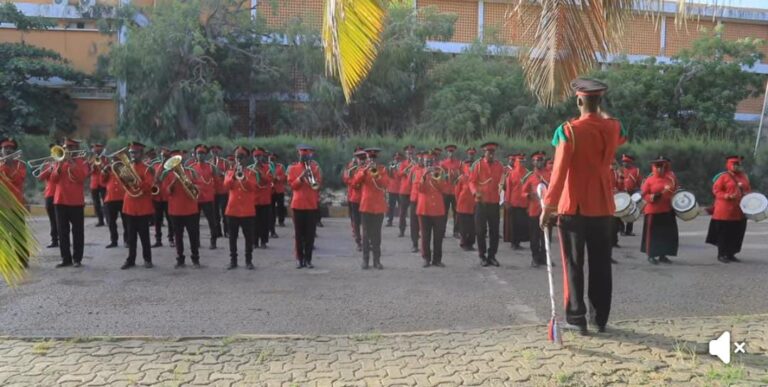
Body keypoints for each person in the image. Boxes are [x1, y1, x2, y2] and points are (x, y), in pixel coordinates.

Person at [540, 78, 626, 334]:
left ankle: (577, 318)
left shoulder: (568, 131)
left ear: (579, 100)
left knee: (574, 264)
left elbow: (559, 172)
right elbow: (618, 129)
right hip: (603, 206)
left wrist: (548, 206)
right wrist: (601, 110)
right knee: (601, 264)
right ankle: (600, 318)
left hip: (573, 207)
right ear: (600, 102)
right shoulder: (612, 128)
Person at [49, 138, 89, 268]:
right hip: (60, 201)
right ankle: (65, 259)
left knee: (77, 231)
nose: (68, 150)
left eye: (71, 148)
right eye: (66, 147)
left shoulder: (82, 162)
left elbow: (81, 178)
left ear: (76, 149)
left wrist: (71, 162)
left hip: (76, 202)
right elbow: (53, 179)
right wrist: (60, 165)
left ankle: (77, 258)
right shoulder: (59, 162)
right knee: (62, 232)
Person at [160, 150, 202, 268]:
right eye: (175, 162)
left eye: (179, 161)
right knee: (178, 236)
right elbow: (166, 192)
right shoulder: (167, 174)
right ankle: (180, 259)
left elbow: (199, 188)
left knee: (193, 236)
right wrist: (174, 181)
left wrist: (192, 185)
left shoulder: (191, 172)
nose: (178, 165)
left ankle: (195, 259)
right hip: (175, 210)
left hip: (190, 209)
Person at [707, 155, 752, 263]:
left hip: (739, 211)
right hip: (724, 211)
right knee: (724, 233)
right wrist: (727, 196)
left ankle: (731, 254)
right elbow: (716, 190)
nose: (736, 166)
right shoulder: (723, 177)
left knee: (736, 233)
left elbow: (748, 189)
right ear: (729, 165)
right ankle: (722, 254)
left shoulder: (744, 176)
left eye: (738, 164)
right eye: (734, 164)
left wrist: (748, 195)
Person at [352, 148, 389, 269]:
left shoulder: (382, 169)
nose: (371, 160)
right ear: (367, 159)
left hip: (378, 206)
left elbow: (385, 184)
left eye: (373, 158)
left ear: (376, 159)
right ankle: (365, 260)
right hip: (366, 205)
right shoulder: (362, 169)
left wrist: (377, 174)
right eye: (370, 158)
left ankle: (377, 261)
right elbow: (354, 183)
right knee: (366, 234)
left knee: (377, 235)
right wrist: (364, 171)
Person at [121, 142, 156, 269]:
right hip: (130, 205)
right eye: (130, 153)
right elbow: (123, 185)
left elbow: (148, 186)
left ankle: (147, 259)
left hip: (142, 206)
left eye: (135, 153)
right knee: (131, 236)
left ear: (141, 154)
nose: (132, 155)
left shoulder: (147, 168)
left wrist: (136, 182)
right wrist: (127, 181)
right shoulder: (127, 167)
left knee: (144, 235)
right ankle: (131, 259)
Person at [469, 142, 505, 267]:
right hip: (481, 202)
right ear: (484, 152)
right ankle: (482, 255)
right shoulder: (477, 165)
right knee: (480, 231)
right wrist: (475, 193)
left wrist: (502, 190)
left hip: (494, 202)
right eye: (488, 152)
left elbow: (502, 181)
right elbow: (471, 182)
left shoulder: (499, 166)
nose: (491, 155)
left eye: (492, 153)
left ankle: (492, 255)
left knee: (494, 231)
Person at [224, 146, 258, 269]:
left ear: (246, 158)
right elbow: (226, 186)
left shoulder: (251, 173)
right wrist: (234, 175)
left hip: (247, 211)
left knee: (249, 238)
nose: (239, 160)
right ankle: (233, 261)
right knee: (232, 238)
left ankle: (248, 261)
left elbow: (252, 187)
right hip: (232, 210)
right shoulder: (229, 172)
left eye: (242, 157)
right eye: (237, 157)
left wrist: (243, 177)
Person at [640, 156, 678, 265]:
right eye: (657, 167)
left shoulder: (670, 178)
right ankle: (651, 255)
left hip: (666, 210)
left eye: (662, 166)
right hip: (653, 211)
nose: (660, 169)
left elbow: (675, 190)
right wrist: (652, 197)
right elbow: (643, 194)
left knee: (665, 234)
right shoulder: (649, 180)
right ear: (653, 167)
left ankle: (663, 255)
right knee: (652, 235)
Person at [288, 145, 321, 268]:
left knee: (310, 235)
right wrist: (301, 177)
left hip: (311, 205)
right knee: (298, 234)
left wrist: (310, 175)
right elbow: (292, 186)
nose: (304, 158)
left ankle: (308, 259)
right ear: (299, 156)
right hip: (298, 205)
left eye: (306, 156)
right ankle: (299, 259)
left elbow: (317, 185)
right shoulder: (293, 169)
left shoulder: (315, 168)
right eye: (302, 156)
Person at [417, 151, 450, 267]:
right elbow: (419, 189)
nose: (429, 165)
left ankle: (437, 259)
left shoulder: (440, 172)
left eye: (430, 162)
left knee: (438, 236)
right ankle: (426, 258)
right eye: (427, 163)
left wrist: (436, 178)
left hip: (437, 209)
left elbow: (443, 188)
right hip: (424, 209)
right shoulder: (419, 172)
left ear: (434, 162)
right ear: (423, 163)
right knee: (425, 236)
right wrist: (424, 176)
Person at [521, 151, 552, 267]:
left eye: (541, 160)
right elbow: (522, 192)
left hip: (546, 210)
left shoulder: (549, 174)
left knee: (546, 236)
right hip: (534, 210)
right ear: (533, 162)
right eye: (537, 160)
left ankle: (545, 258)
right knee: (534, 236)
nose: (539, 162)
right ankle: (535, 258)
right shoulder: (529, 177)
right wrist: (529, 195)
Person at [190, 145, 221, 249]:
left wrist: (214, 193)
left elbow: (217, 181)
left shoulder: (211, 166)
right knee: (194, 222)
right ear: (196, 155)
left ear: (205, 155)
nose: (200, 155)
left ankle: (213, 241)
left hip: (208, 198)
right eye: (198, 153)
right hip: (196, 199)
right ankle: (196, 242)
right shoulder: (192, 167)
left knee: (212, 221)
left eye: (202, 154)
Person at [101, 153, 128, 249]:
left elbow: (129, 180)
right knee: (111, 221)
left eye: (116, 160)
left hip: (123, 198)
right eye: (113, 160)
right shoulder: (108, 170)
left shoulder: (124, 169)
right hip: (110, 198)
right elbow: (102, 181)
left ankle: (127, 241)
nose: (114, 162)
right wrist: (104, 170)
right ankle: (114, 240)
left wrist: (122, 169)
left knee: (126, 221)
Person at [504, 153, 529, 250]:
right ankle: (514, 242)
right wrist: (507, 201)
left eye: (523, 161)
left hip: (524, 202)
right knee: (514, 224)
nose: (522, 163)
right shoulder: (511, 173)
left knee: (522, 223)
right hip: (514, 202)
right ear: (516, 162)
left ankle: (518, 241)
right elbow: (508, 188)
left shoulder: (527, 173)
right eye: (520, 161)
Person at [342, 148, 366, 251]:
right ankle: (358, 241)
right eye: (359, 158)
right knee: (356, 221)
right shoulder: (352, 168)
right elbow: (347, 180)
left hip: (366, 199)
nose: (361, 160)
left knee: (366, 222)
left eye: (363, 158)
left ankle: (366, 241)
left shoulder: (369, 168)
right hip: (355, 198)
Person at [36, 144, 59, 248]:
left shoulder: (63, 162)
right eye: (53, 151)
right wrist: (49, 169)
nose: (54, 153)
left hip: (61, 194)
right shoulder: (47, 163)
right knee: (53, 219)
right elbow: (40, 177)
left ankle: (64, 239)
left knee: (62, 219)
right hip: (50, 194)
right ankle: (54, 240)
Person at [251, 147, 274, 248]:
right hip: (254, 200)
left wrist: (260, 172)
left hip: (265, 199)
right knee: (254, 223)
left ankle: (264, 241)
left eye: (259, 156)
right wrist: (253, 170)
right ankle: (254, 241)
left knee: (265, 222)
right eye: (255, 156)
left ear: (262, 157)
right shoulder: (250, 168)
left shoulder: (268, 168)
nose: (257, 158)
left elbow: (269, 180)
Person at [151, 148, 174, 248]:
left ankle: (171, 238)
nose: (163, 157)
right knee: (157, 220)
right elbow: (153, 179)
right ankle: (158, 239)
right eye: (162, 155)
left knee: (170, 220)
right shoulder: (156, 165)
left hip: (168, 197)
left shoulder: (172, 167)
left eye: (165, 156)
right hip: (158, 196)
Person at [455, 152, 476, 251]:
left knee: (472, 227)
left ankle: (470, 243)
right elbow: (457, 192)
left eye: (471, 165)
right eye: (468, 165)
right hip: (463, 205)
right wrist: (458, 203)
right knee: (463, 227)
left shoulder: (477, 178)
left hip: (473, 205)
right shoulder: (462, 178)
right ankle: (463, 243)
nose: (470, 167)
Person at [440, 145, 462, 238]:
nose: (451, 153)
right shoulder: (443, 163)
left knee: (456, 212)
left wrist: (457, 175)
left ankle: (456, 231)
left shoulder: (459, 163)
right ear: (447, 153)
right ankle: (442, 231)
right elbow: (440, 176)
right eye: (449, 152)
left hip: (455, 191)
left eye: (452, 152)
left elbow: (461, 175)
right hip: (445, 190)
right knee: (444, 212)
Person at [408, 151, 425, 253]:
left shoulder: (428, 169)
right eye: (420, 159)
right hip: (414, 199)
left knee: (424, 224)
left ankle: (424, 245)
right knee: (414, 223)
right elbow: (409, 182)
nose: (422, 160)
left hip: (424, 200)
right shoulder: (413, 169)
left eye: (423, 159)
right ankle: (414, 244)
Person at [396, 145, 415, 237]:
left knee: (414, 214)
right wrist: (407, 168)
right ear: (406, 154)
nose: (410, 154)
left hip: (413, 191)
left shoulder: (417, 163)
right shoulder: (402, 163)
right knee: (402, 212)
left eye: (411, 153)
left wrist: (414, 165)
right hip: (404, 191)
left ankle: (415, 232)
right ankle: (401, 230)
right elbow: (399, 174)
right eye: (408, 153)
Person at [211, 145, 229, 238]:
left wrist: (221, 173)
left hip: (223, 190)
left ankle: (227, 231)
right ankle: (218, 232)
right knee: (215, 214)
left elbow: (229, 174)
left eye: (216, 152)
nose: (214, 154)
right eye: (213, 152)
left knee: (225, 212)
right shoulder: (209, 163)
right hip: (213, 191)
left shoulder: (225, 162)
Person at [621, 154, 640, 236]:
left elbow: (639, 183)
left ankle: (629, 230)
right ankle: (621, 230)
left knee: (631, 211)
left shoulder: (636, 171)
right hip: (622, 193)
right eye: (623, 162)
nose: (624, 163)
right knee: (621, 211)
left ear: (630, 162)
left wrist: (639, 192)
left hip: (633, 192)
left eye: (626, 162)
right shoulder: (621, 170)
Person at [88, 143, 107, 227]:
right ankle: (100, 220)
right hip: (94, 183)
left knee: (106, 202)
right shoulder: (91, 159)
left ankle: (109, 220)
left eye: (99, 150)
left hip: (103, 183)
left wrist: (101, 166)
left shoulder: (105, 158)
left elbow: (107, 170)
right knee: (96, 203)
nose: (97, 152)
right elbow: (88, 172)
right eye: (96, 150)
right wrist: (92, 167)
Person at [269, 152, 288, 232]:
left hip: (279, 189)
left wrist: (278, 178)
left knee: (280, 206)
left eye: (273, 158)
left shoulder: (281, 166)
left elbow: (285, 177)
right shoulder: (267, 166)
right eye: (270, 158)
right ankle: (272, 221)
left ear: (276, 159)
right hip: (271, 190)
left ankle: (281, 221)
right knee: (271, 207)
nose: (272, 160)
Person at [385, 152, 403, 227]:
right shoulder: (391, 164)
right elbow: (388, 175)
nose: (397, 158)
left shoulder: (402, 165)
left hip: (400, 189)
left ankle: (402, 221)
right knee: (391, 206)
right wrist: (391, 168)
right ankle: (390, 221)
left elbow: (401, 175)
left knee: (401, 207)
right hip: (392, 188)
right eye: (395, 157)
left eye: (398, 157)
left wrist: (398, 168)